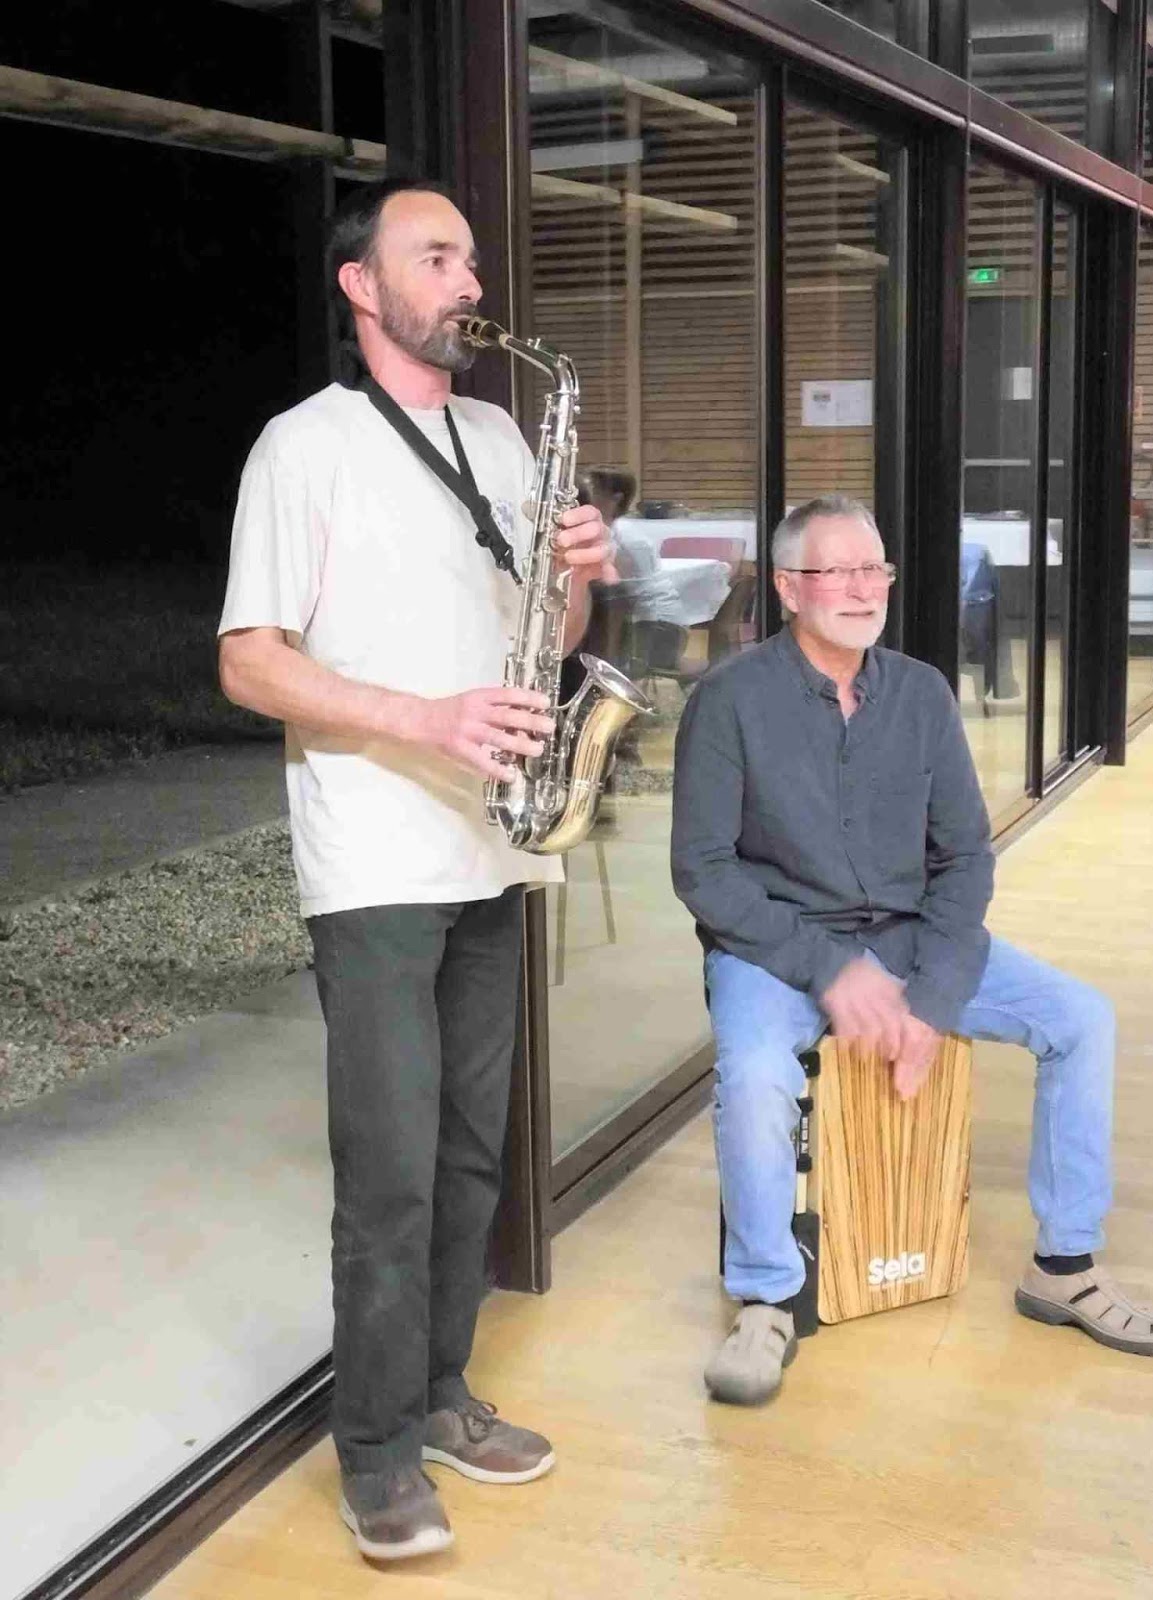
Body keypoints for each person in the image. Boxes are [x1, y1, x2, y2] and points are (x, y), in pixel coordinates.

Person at [217, 178, 616, 1560]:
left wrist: (580, 570)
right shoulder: (303, 447)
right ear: (362, 286)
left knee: (466, 1155)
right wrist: (426, 719)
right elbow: (249, 660)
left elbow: (554, 639)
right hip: (378, 854)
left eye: (470, 259)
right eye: (435, 257)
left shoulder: (503, 435)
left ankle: (441, 1392)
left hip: (492, 844)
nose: (468, 281)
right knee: (387, 1170)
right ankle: (376, 1451)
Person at [670, 493, 1153, 1407]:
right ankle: (766, 1297)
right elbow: (704, 873)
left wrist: (933, 1000)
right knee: (754, 1072)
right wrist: (833, 972)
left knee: (1081, 1019)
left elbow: (965, 858)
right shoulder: (728, 701)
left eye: (875, 568)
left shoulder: (921, 693)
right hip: (776, 946)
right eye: (838, 570)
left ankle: (1064, 1267)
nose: (863, 588)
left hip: (910, 937)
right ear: (788, 587)